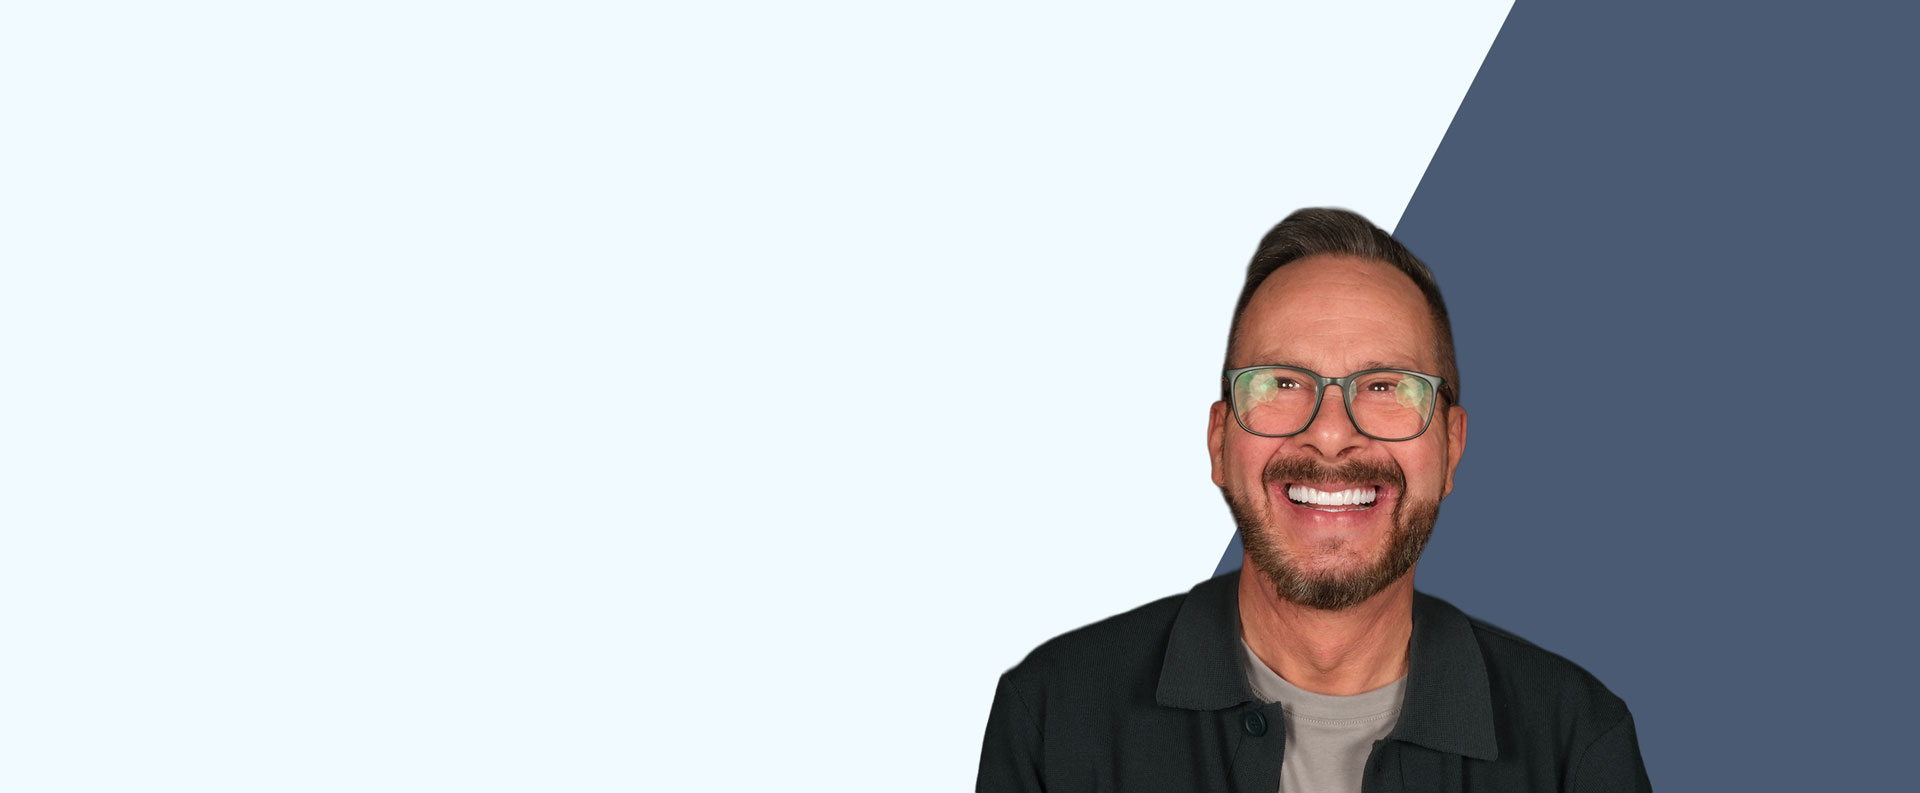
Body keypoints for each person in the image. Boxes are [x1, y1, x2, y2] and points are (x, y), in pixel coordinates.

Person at [975, 208, 1651, 792]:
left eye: (1385, 387)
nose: (1330, 434)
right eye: (1282, 383)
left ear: (1451, 447)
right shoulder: (1052, 719)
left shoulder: (1576, 745)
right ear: (1219, 441)